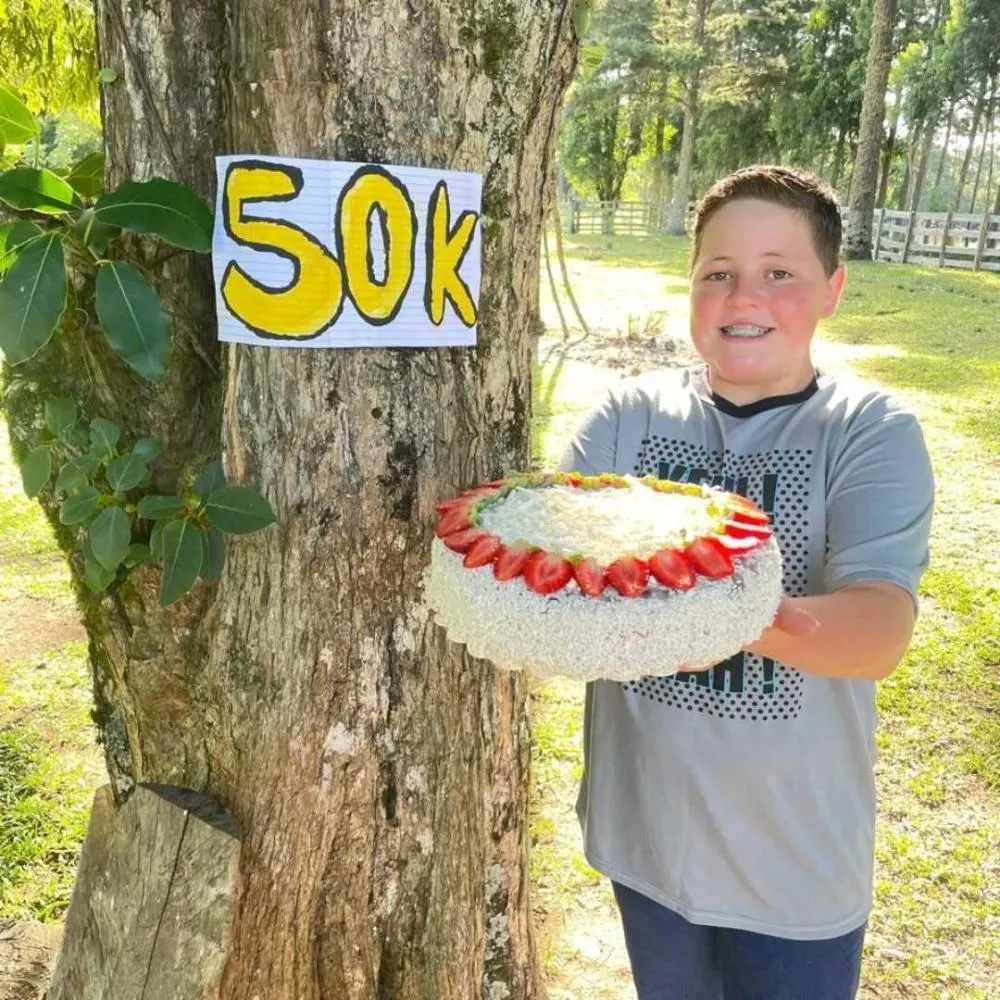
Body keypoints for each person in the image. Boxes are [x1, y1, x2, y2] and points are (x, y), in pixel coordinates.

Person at [557, 164, 935, 1000]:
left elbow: (877, 632)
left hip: (793, 864)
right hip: (647, 843)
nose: (743, 296)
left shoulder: (870, 435)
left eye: (779, 274)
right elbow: (564, 566)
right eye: (717, 274)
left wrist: (709, 616)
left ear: (832, 289)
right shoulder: (629, 419)